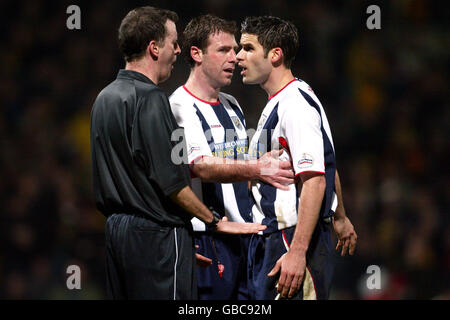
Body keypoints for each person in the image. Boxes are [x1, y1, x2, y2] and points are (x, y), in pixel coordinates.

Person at [90, 6, 265, 300]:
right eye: (173, 44)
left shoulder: (103, 99)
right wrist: (212, 221)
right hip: (161, 234)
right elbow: (174, 179)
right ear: (154, 48)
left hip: (118, 233)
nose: (177, 51)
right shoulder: (157, 101)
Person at [169, 15, 295, 300]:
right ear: (196, 53)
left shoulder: (231, 104)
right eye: (224, 50)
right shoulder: (179, 104)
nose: (235, 57)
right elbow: (200, 165)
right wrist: (257, 168)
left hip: (246, 236)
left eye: (236, 49)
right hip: (208, 236)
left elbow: (244, 164)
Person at [236, 16, 358, 300]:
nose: (239, 56)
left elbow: (314, 180)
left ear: (275, 54)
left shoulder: (294, 106)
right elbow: (325, 162)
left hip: (288, 240)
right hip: (280, 239)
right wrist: (340, 217)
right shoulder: (291, 97)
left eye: (248, 48)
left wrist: (297, 251)